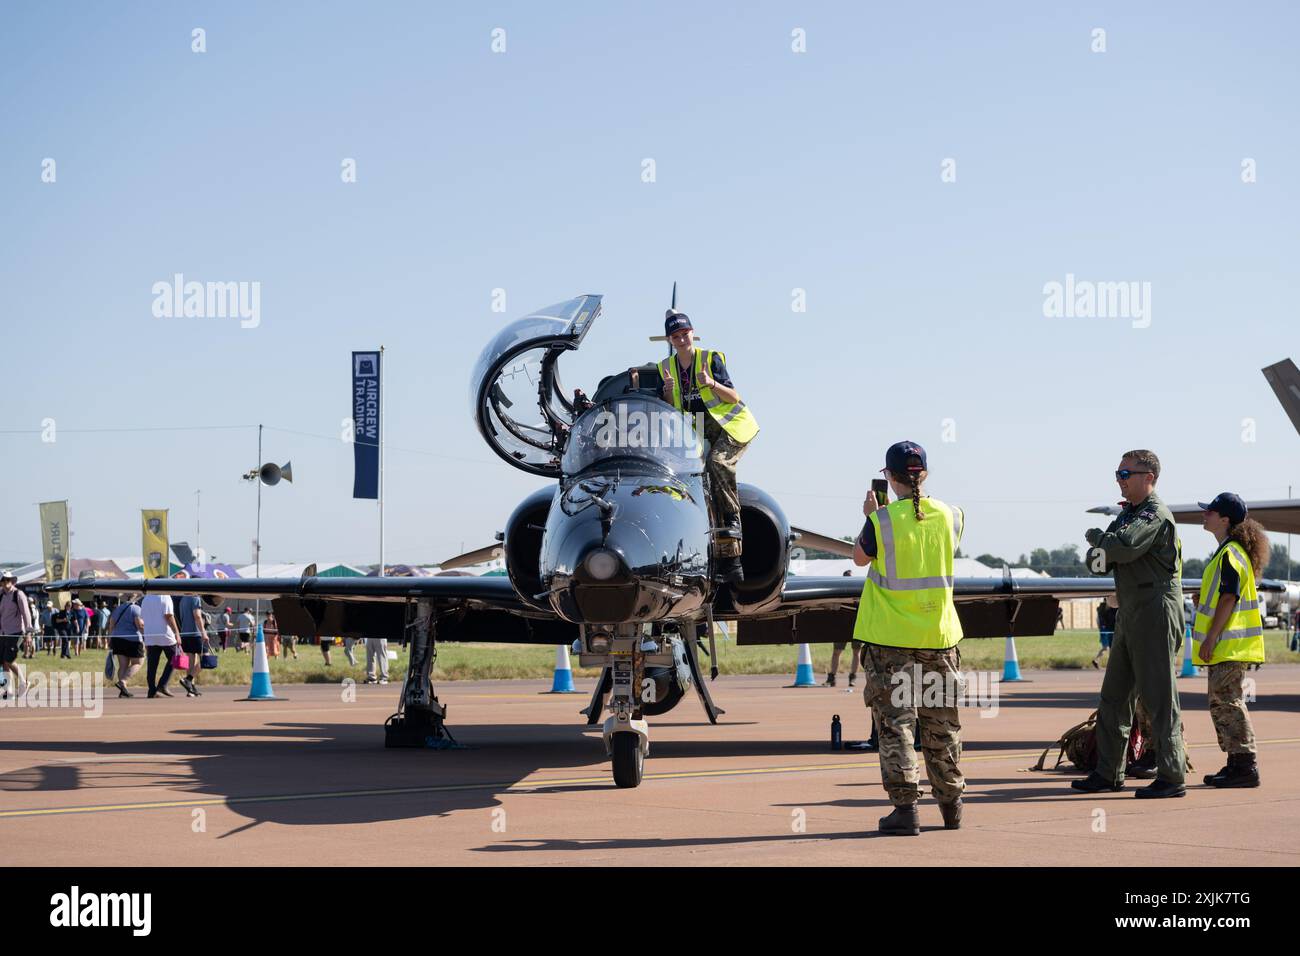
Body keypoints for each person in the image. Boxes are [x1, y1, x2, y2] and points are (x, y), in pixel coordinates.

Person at [852, 441, 966, 835]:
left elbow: (860, 558)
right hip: (940, 637)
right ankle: (951, 806)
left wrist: (871, 516)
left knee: (897, 725)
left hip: (891, 642)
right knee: (942, 725)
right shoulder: (952, 515)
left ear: (889, 477)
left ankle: (906, 810)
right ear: (925, 474)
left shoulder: (882, 521)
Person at [1076, 449, 1186, 798]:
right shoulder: (1129, 515)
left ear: (1148, 477)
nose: (1119, 480)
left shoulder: (1154, 515)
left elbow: (1119, 549)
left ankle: (1172, 776)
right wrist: (1103, 546)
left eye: (1126, 474)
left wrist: (1099, 540)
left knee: (1159, 697)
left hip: (1155, 607)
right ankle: (1108, 772)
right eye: (1118, 473)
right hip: (1131, 610)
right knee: (1114, 697)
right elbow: (1096, 564)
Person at [653, 309, 759, 585]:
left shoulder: (710, 359)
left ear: (692, 332)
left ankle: (733, 519)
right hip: (698, 428)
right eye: (675, 336)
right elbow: (670, 409)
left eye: (684, 333)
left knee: (718, 463)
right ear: (670, 339)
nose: (681, 339)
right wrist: (666, 390)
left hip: (729, 426)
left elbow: (734, 397)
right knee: (691, 475)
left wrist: (710, 383)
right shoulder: (666, 367)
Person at [1193, 493, 1267, 788]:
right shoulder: (1228, 553)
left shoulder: (1230, 554)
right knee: (1223, 704)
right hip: (1229, 645)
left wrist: (1211, 637)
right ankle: (1236, 764)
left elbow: (1229, 597)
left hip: (1228, 645)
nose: (1204, 515)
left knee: (1228, 704)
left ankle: (1245, 765)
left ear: (1224, 519)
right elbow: (1222, 595)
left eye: (1209, 512)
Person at [140, 592, 180, 698]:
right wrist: (176, 632)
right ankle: (162, 684)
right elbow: (168, 616)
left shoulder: (146, 598)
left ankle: (151, 689)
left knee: (152, 664)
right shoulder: (165, 596)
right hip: (165, 633)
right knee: (175, 657)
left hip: (150, 633)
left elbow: (142, 616)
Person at [0, 571, 31, 700]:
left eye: (9, 580)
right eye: (4, 580)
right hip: (3, 633)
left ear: (12, 581)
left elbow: (26, 613)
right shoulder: (1, 595)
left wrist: (28, 633)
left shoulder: (19, 594)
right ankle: (9, 691)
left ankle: (24, 682)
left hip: (16, 632)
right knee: (3, 662)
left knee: (9, 659)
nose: (7, 582)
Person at [107, 595, 145, 697]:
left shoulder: (118, 608)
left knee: (123, 665)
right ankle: (123, 681)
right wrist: (146, 636)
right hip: (133, 640)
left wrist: (110, 638)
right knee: (138, 662)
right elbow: (140, 625)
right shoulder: (136, 608)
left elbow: (111, 623)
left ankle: (123, 691)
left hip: (117, 638)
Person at [175, 592, 208, 697]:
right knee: (206, 658)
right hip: (195, 633)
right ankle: (188, 680)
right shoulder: (195, 598)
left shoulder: (183, 599)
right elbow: (197, 616)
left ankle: (190, 689)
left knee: (191, 661)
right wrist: (203, 632)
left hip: (185, 633)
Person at [1092, 597, 1118, 668]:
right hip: (1107, 630)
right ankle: (1110, 663)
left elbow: (1097, 620)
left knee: (1107, 647)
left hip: (1106, 630)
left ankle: (1096, 660)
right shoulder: (1105, 610)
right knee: (1108, 647)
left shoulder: (1105, 609)